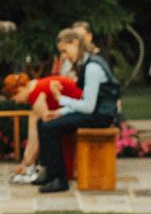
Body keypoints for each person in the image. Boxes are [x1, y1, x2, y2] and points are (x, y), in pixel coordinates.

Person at [35, 28, 119, 194]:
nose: (64, 56)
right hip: (95, 112)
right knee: (43, 121)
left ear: (75, 43)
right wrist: (60, 112)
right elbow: (84, 102)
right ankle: (50, 173)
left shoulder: (93, 67)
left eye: (65, 51)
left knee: (50, 128)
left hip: (101, 116)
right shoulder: (88, 64)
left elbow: (88, 106)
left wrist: (59, 99)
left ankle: (60, 179)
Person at [2, 72, 82, 184]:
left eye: (15, 98)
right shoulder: (34, 86)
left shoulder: (34, 94)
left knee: (45, 128)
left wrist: (28, 159)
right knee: (35, 118)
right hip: (74, 103)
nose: (17, 102)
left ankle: (38, 168)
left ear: (19, 90)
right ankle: (29, 163)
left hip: (78, 105)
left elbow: (43, 127)